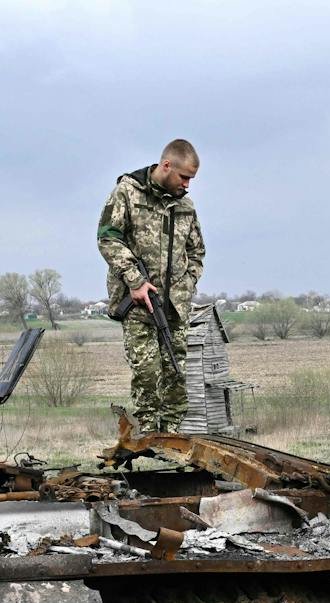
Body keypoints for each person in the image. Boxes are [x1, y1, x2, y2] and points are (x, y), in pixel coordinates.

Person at [97, 138, 206, 432]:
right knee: (146, 371)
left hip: (174, 306)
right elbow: (108, 237)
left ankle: (171, 433)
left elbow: (197, 252)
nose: (187, 185)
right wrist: (135, 281)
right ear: (167, 165)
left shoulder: (185, 206)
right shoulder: (127, 193)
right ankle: (148, 428)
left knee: (175, 371)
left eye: (191, 180)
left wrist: (187, 285)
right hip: (137, 304)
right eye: (184, 177)